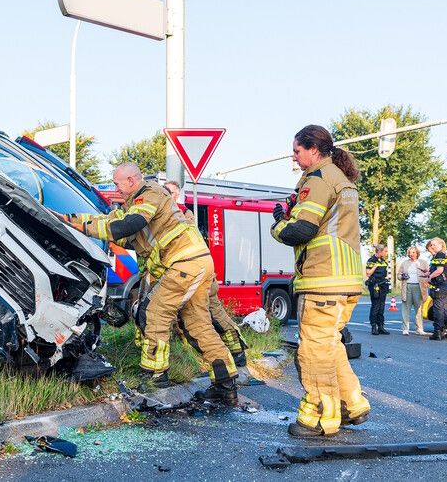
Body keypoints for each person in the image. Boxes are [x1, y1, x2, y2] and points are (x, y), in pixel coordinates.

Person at [58, 162, 239, 404]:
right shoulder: (136, 204)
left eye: (117, 183)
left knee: (155, 312)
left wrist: (83, 227)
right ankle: (226, 384)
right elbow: (121, 231)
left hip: (183, 262)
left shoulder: (149, 195)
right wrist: (72, 220)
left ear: (131, 181)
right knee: (197, 325)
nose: (116, 188)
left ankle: (155, 375)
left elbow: (125, 226)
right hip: (194, 261)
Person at [271, 125, 370, 438]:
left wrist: (278, 223)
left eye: (297, 150)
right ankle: (350, 403)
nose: (294, 156)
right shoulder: (341, 180)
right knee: (330, 346)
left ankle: (318, 416)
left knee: (314, 351)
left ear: (313, 149)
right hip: (346, 281)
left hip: (323, 279)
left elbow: (301, 230)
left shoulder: (318, 179)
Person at [163, 180, 261, 386]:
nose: (164, 194)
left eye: (169, 191)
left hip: (194, 274)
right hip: (198, 272)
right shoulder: (174, 213)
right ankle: (234, 352)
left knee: (210, 316)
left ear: (176, 195)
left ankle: (234, 353)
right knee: (213, 314)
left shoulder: (183, 215)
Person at [425, 237, 447, 340]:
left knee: (438, 309)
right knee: (445, 308)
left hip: (440, 285)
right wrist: (427, 273)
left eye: (434, 244)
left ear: (441, 244)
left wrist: (429, 277)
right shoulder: (443, 254)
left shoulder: (440, 254)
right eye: (431, 245)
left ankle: (438, 332)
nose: (432, 246)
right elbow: (437, 269)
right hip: (444, 284)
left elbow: (440, 270)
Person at [397, 246, 429, 335]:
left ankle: (419, 328)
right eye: (410, 253)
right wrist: (402, 276)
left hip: (419, 287)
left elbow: (428, 274)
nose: (411, 254)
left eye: (413, 252)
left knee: (418, 309)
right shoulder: (404, 263)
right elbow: (398, 275)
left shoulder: (423, 262)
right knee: (406, 308)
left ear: (417, 253)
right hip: (407, 286)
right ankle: (405, 329)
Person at [365, 244, 390, 335]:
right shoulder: (371, 261)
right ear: (379, 251)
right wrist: (375, 266)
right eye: (385, 251)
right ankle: (373, 326)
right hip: (374, 286)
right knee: (375, 306)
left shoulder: (383, 261)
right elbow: (368, 274)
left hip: (383, 285)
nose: (386, 253)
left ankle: (381, 326)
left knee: (382, 306)